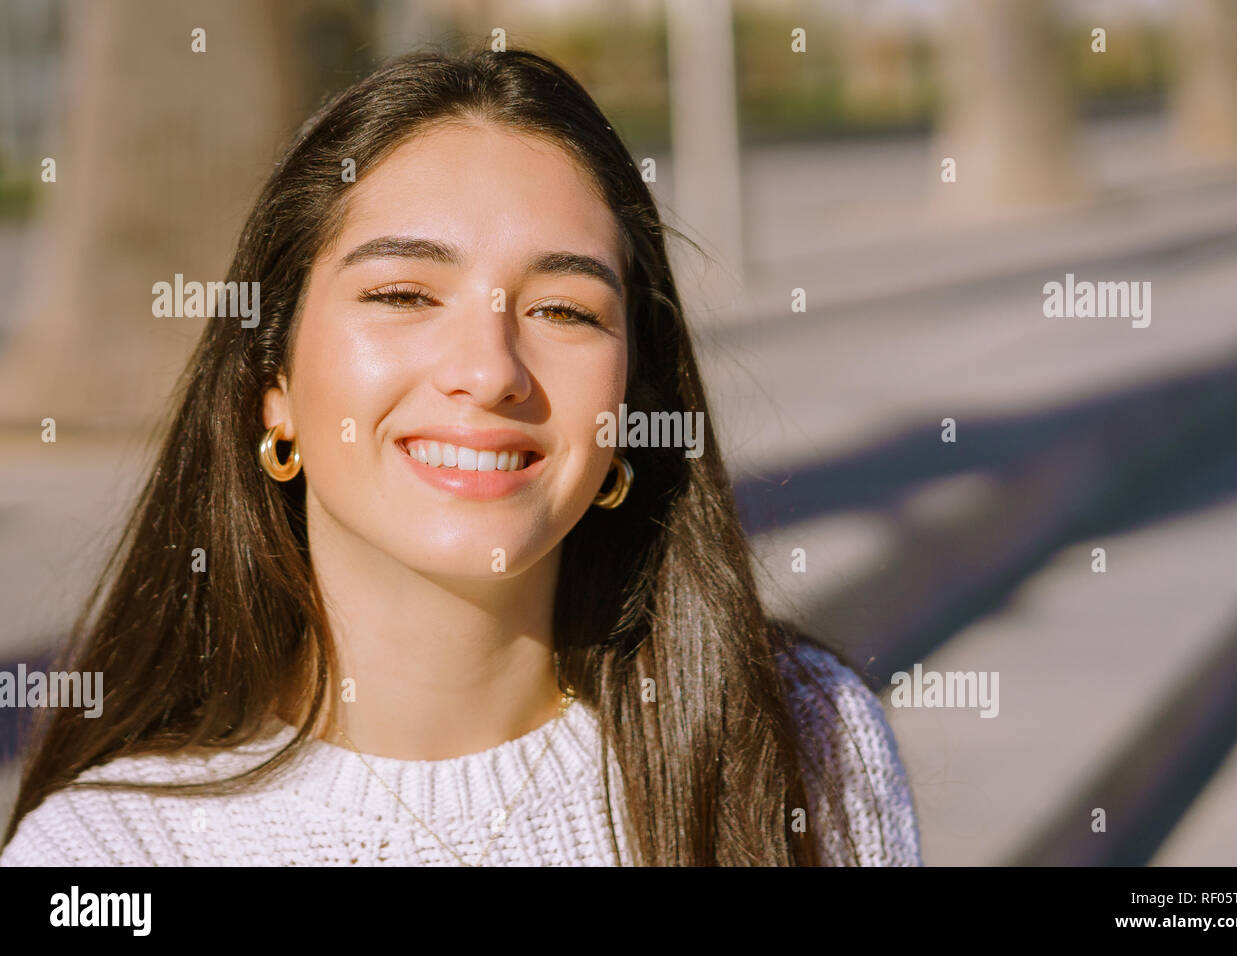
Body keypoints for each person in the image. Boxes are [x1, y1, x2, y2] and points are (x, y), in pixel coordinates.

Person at [0, 48, 921, 867]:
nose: (489, 371)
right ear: (269, 385)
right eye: (403, 293)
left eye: (564, 310)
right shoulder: (108, 856)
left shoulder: (803, 748)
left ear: (630, 402)